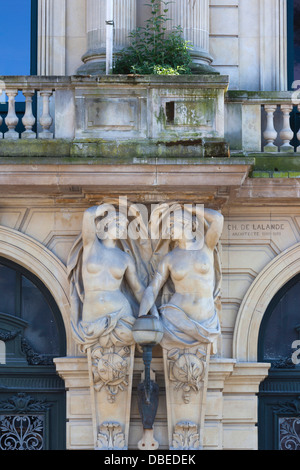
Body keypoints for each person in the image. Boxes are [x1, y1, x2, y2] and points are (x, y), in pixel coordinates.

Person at [139, 206, 224, 351]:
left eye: (172, 224)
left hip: (206, 321)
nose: (169, 229)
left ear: (188, 224)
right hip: (174, 320)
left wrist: (191, 208)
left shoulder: (206, 247)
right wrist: (141, 320)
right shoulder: (170, 258)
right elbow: (152, 290)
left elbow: (217, 218)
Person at [68, 204, 147, 351]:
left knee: (122, 363)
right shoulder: (91, 246)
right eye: (117, 223)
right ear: (105, 225)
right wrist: (106, 207)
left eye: (123, 226)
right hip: (93, 314)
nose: (121, 228)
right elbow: (88, 215)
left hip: (121, 314)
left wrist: (151, 311)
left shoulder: (124, 258)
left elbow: (138, 288)